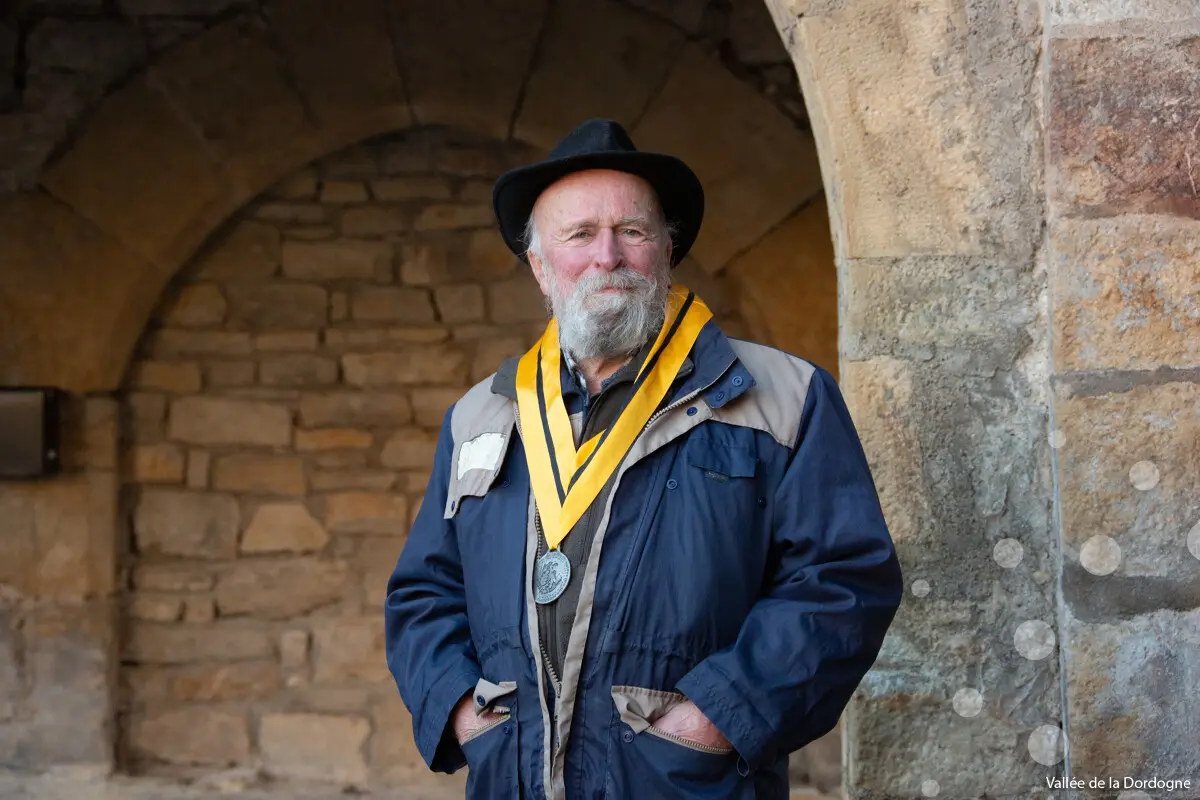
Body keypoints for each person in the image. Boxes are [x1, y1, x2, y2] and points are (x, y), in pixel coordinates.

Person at [384, 118, 903, 800]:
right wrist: (461, 712)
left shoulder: (782, 396)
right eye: (579, 235)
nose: (608, 255)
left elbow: (842, 582)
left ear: (665, 251)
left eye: (632, 231)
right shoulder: (483, 415)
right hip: (514, 781)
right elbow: (423, 595)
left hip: (688, 784)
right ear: (541, 268)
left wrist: (715, 718)